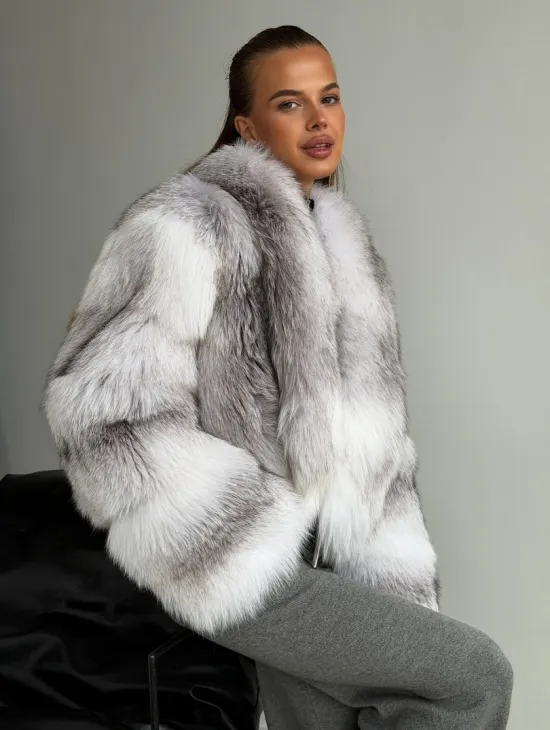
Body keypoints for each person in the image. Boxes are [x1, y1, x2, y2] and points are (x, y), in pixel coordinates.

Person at [43, 25, 513, 730]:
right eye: (290, 103)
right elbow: (101, 412)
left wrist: (385, 567)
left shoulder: (347, 249)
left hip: (334, 557)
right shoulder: (186, 223)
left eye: (330, 98)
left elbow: (377, 442)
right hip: (241, 557)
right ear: (246, 125)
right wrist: (237, 537)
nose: (319, 119)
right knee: (473, 675)